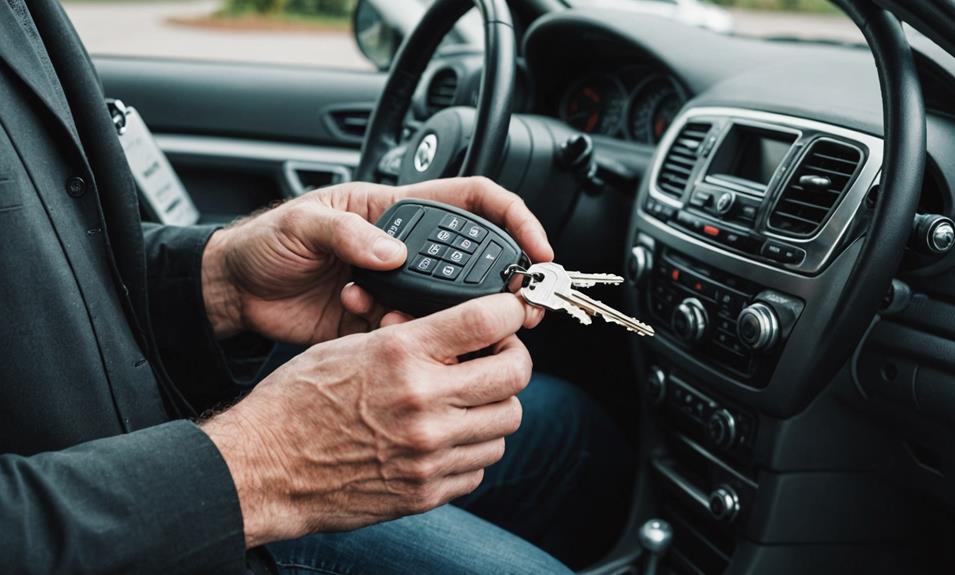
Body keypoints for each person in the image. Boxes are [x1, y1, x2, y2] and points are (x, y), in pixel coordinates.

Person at [0, 1, 632, 573]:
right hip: (134, 527)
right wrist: (264, 466)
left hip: (132, 452)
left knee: (571, 434)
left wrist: (217, 282)